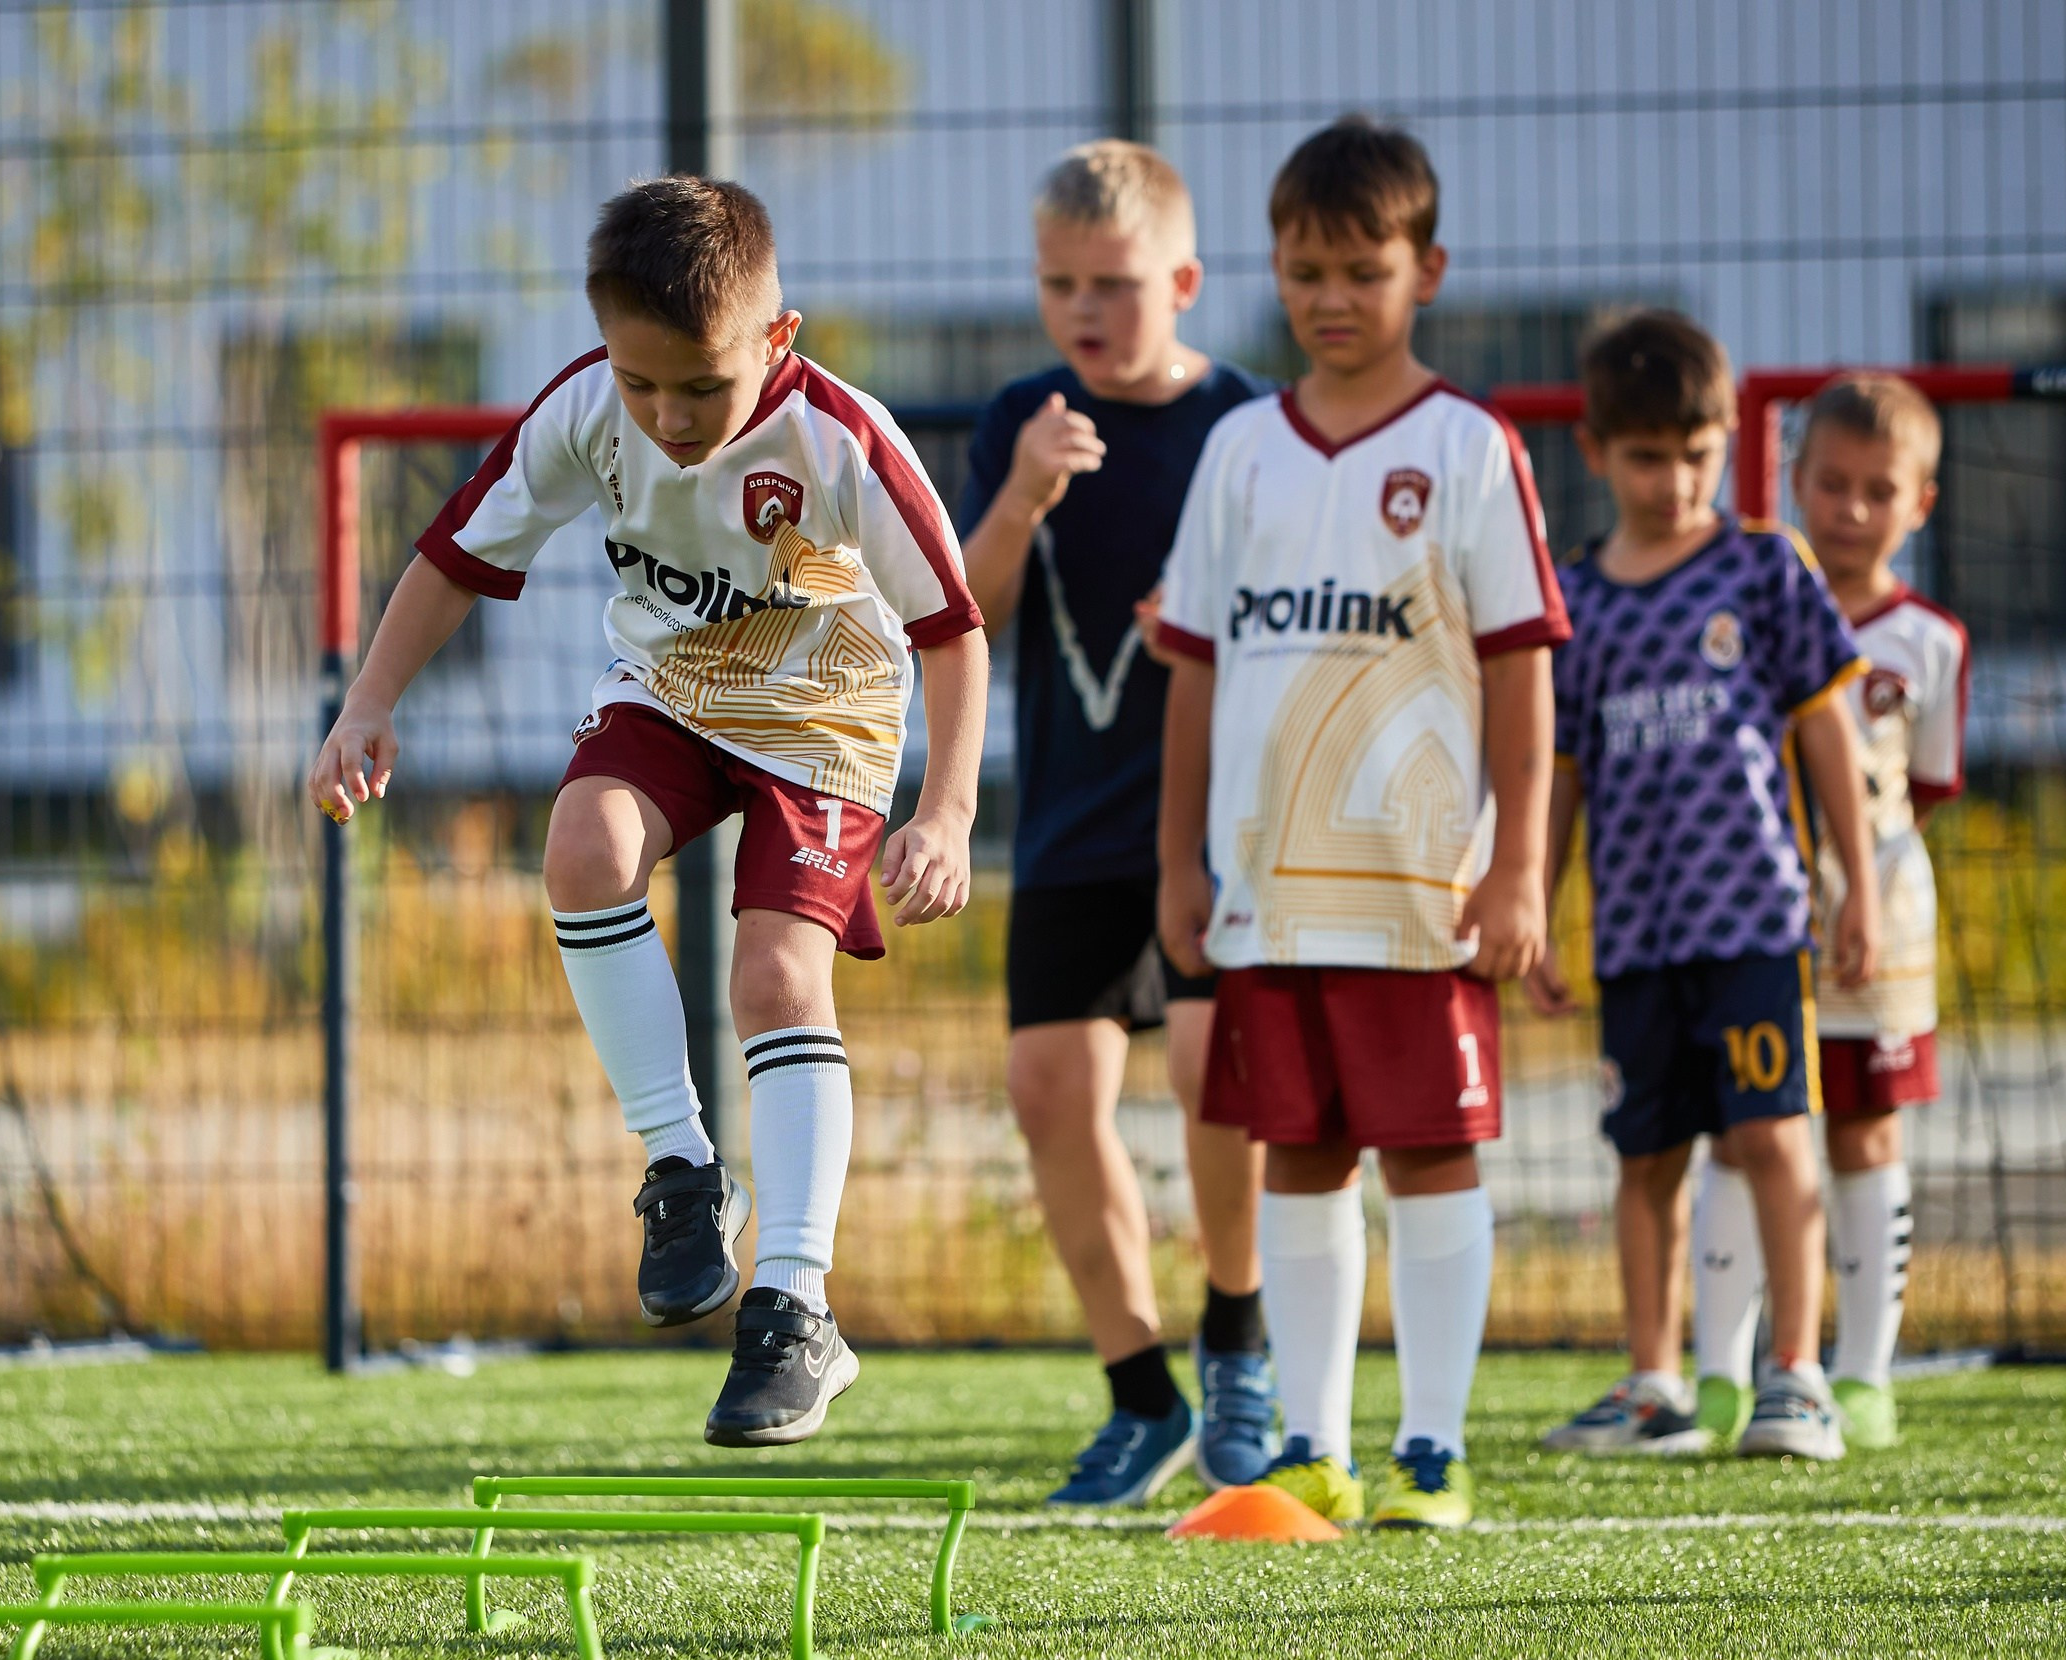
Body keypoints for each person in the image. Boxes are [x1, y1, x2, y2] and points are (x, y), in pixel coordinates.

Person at [308, 176, 988, 1448]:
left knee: (775, 978)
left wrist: (945, 812)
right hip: (673, 686)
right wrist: (369, 702)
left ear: (778, 340)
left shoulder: (843, 442)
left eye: (700, 388)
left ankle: (794, 1306)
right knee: (583, 848)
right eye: (640, 384)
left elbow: (952, 630)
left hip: (826, 714)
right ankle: (682, 1171)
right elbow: (456, 556)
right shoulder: (584, 408)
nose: (667, 418)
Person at [1154, 115, 1567, 1530]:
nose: (1330, 297)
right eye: (1304, 270)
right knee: (1302, 1151)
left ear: (1425, 271)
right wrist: (1177, 860)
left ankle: (1432, 1449)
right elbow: (1193, 668)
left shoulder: (1468, 447)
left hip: (1420, 889)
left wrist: (1518, 864)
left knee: (1432, 1151)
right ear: (1273, 269)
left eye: (1361, 270)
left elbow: (1521, 668)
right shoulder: (1237, 453)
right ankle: (1314, 1446)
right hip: (1266, 887)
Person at [954, 140, 1271, 1507]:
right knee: (1048, 1092)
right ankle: (1142, 1394)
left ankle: (1240, 1343)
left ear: (1183, 283)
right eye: (1058, 283)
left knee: (1214, 1072)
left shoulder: (1247, 423)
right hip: (1072, 828)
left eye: (1115, 284)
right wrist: (1022, 495)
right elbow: (967, 614)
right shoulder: (1019, 419)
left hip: (1218, 831)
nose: (1083, 309)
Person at [1532, 311, 1878, 1463]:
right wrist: (1537, 906)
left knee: (1773, 1136)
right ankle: (1652, 1383)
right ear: (1595, 452)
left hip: (1753, 925)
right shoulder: (1575, 602)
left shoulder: (1763, 569)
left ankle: (1797, 1376)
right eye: (1647, 457)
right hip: (1636, 935)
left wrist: (1854, 885)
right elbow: (1559, 772)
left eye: (1695, 455)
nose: (1675, 482)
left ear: (1727, 442)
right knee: (1643, 1157)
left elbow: (1824, 730)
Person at [1690, 373, 1967, 1451]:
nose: (1851, 509)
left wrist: (1857, 887)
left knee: (1863, 1127)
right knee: (1742, 1128)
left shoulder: (1931, 641)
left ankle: (1862, 1376)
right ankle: (1721, 1374)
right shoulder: (1749, 611)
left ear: (1921, 504)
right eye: (1832, 483)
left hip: (1881, 923)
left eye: (1878, 490)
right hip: (1750, 913)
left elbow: (1925, 786)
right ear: (1793, 482)